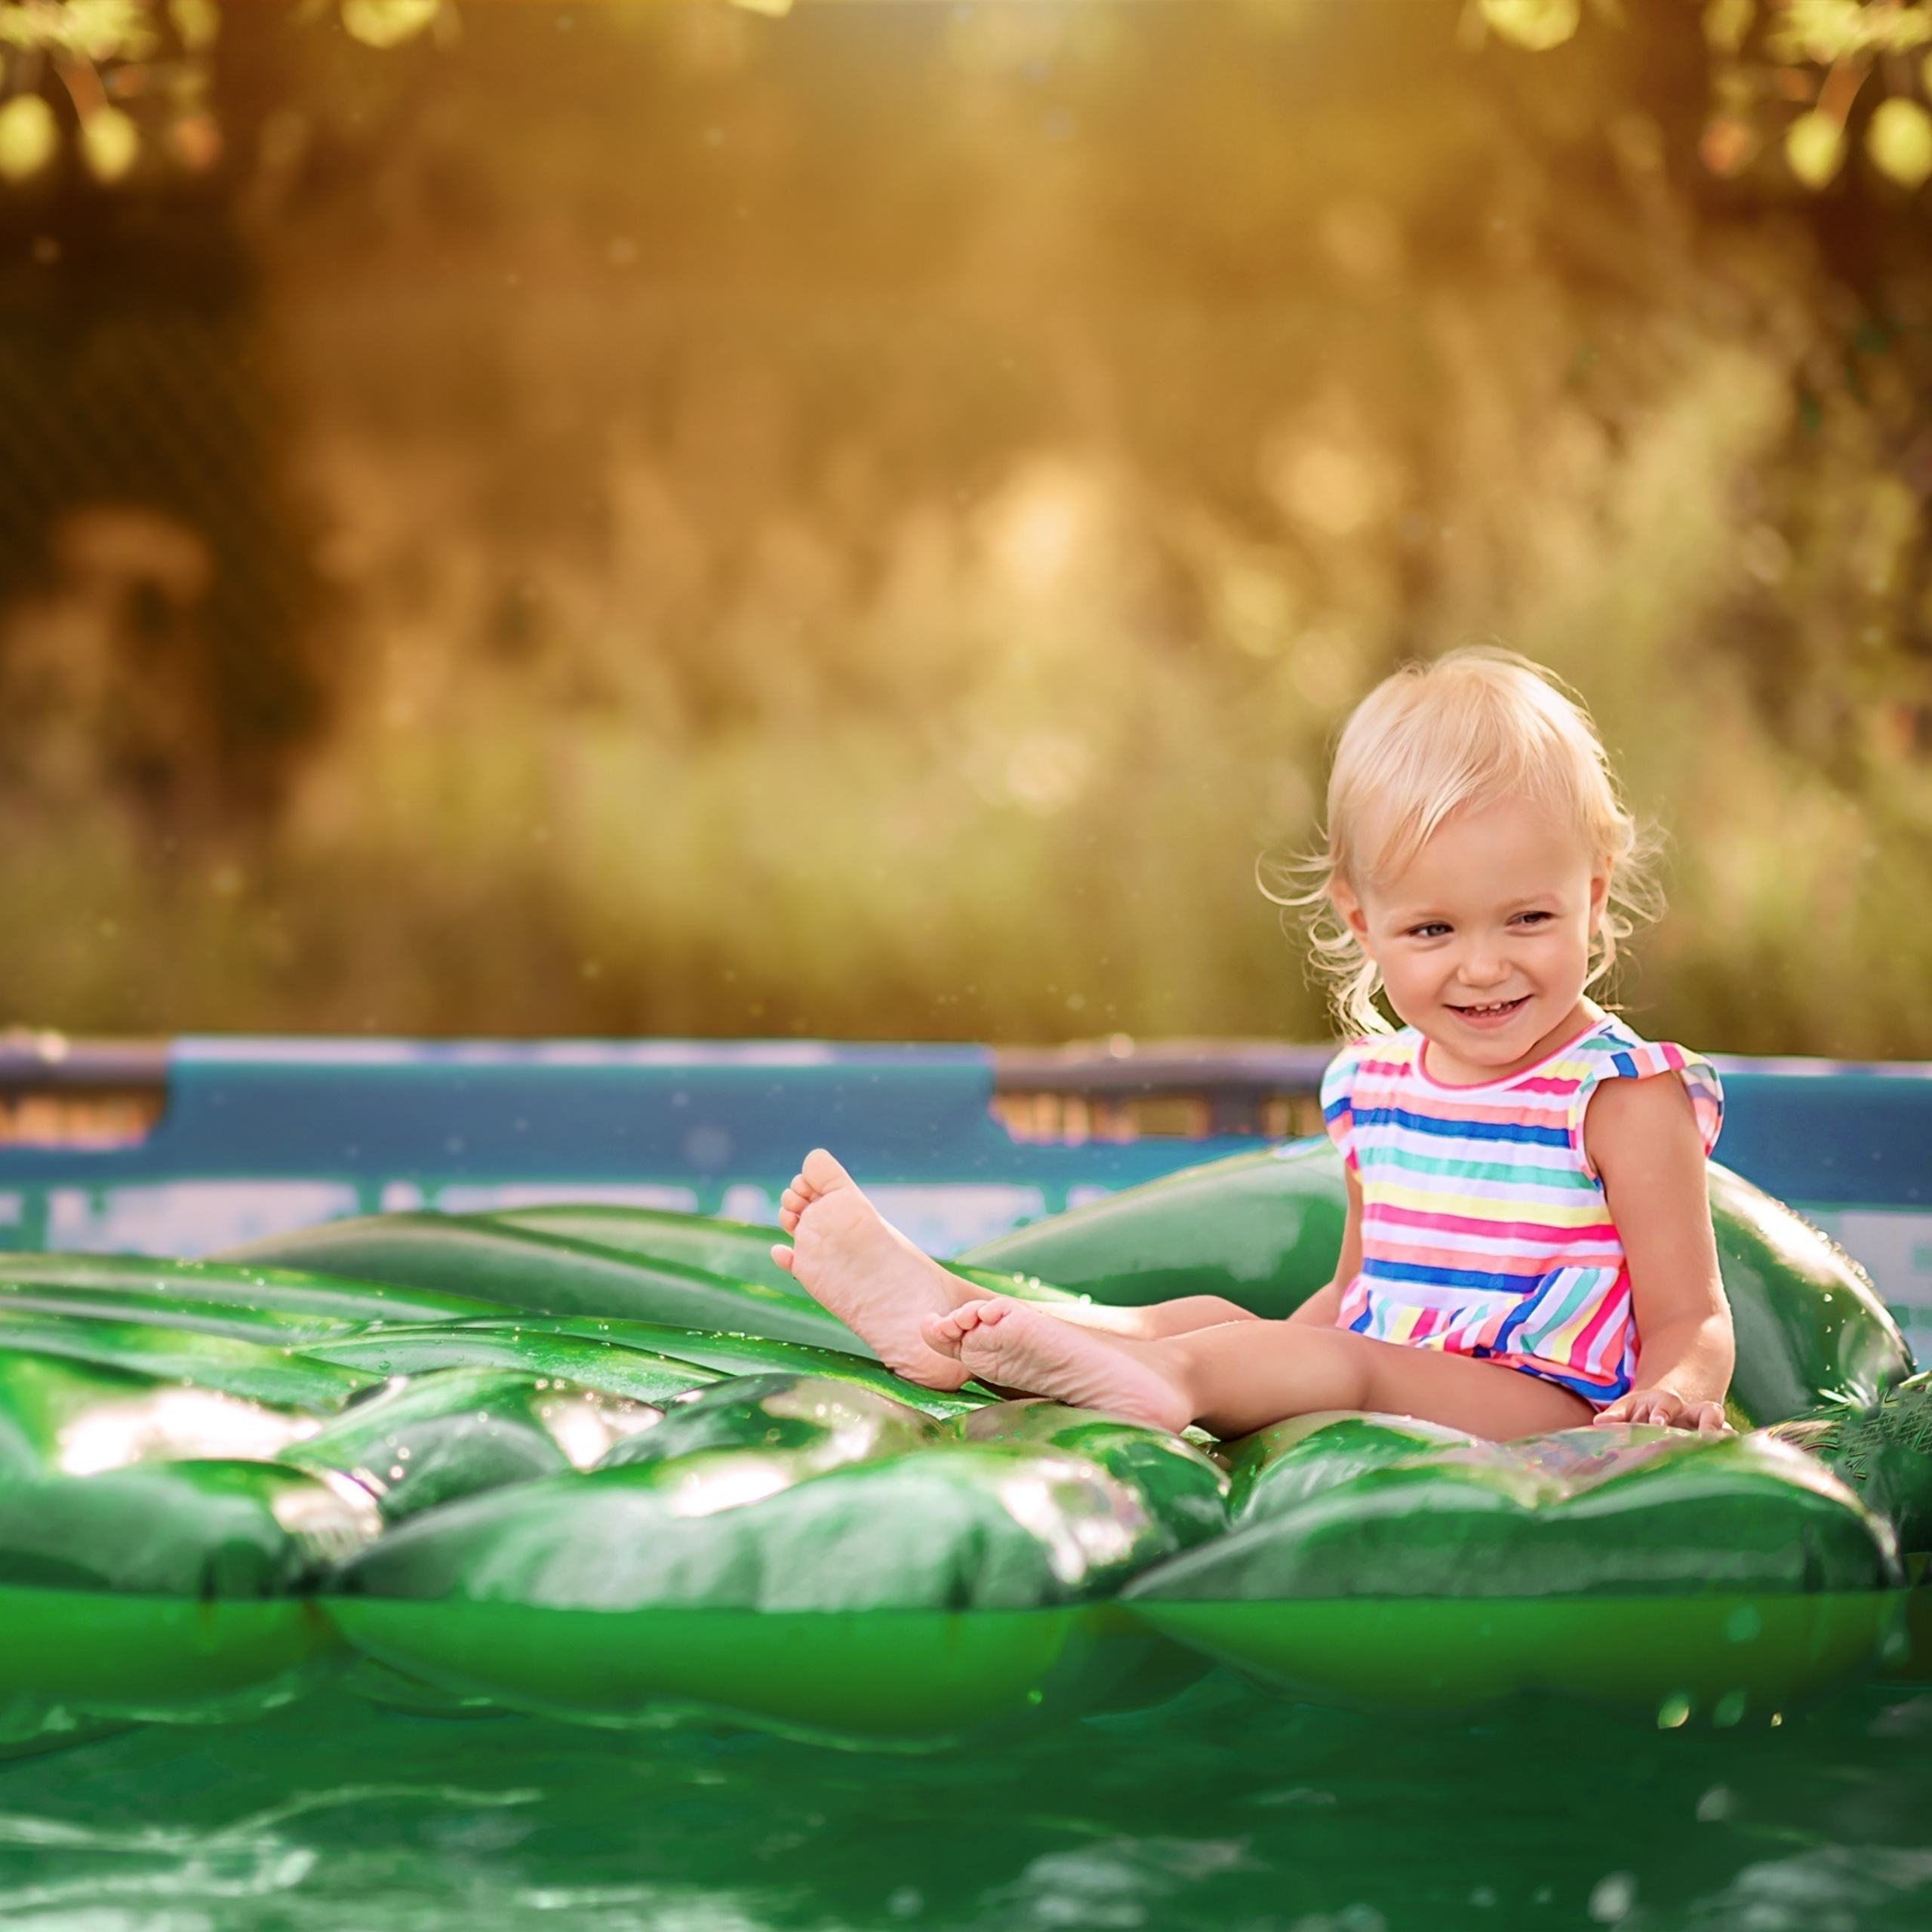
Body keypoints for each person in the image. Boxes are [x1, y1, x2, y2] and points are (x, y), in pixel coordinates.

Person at [771, 648, 1734, 1441]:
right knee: (1209, 1319)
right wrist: (1261, 1347)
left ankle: (1159, 1384)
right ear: (1362, 923)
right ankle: (953, 1320)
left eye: (1526, 918)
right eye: (1432, 932)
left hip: (1542, 1401)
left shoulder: (1617, 1094)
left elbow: (1690, 1314)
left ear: (1594, 896)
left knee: (1327, 1360)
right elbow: (1360, 1290)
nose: (1482, 968)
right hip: (1389, 1358)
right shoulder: (1379, 1087)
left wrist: (1670, 1397)